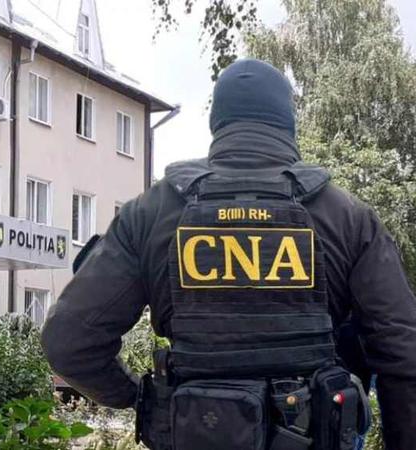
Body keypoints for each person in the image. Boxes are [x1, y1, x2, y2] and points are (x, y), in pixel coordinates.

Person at [41, 58, 416, 449]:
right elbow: (404, 355)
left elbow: (68, 341)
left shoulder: (150, 213)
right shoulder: (347, 217)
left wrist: (142, 398)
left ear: (217, 122)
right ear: (288, 124)